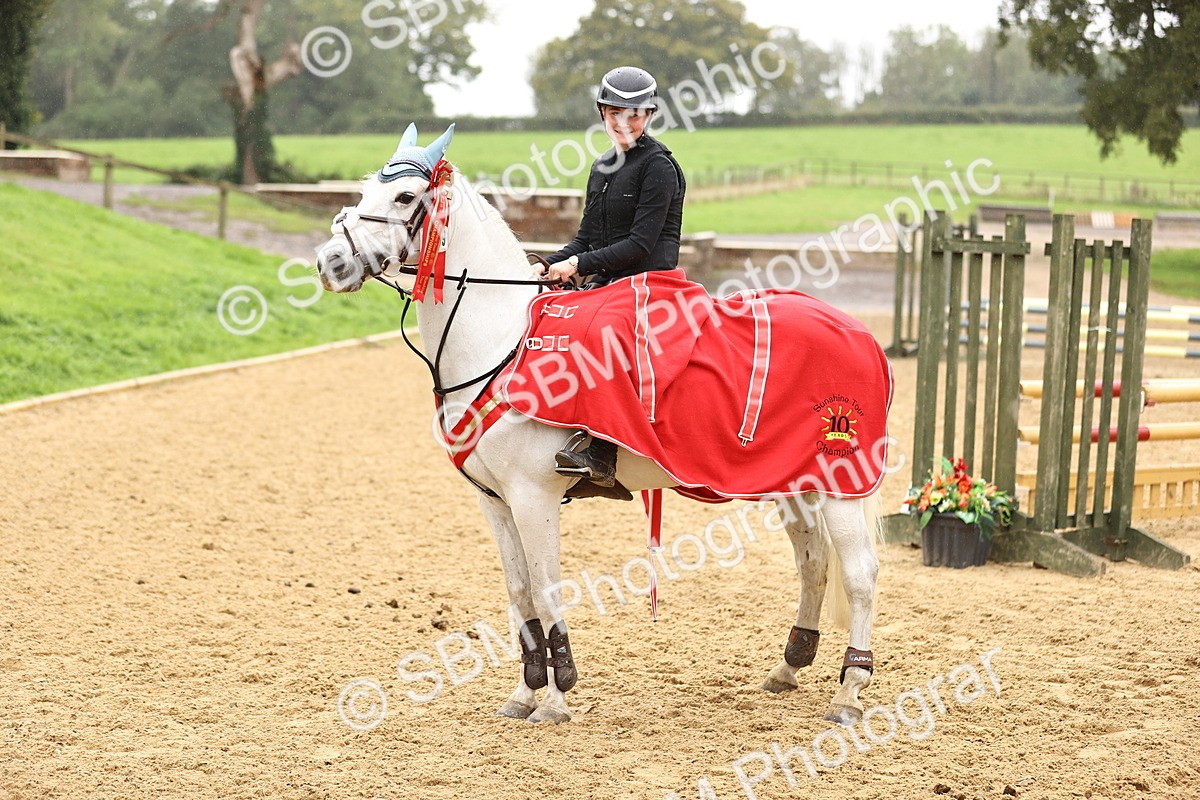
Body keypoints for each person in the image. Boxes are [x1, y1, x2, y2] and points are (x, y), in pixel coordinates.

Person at [543, 65, 687, 489]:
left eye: (636, 114)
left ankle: (602, 451)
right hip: (608, 283)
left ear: (650, 115)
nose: (625, 122)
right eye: (615, 114)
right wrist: (547, 264)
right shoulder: (602, 166)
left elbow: (640, 245)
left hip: (651, 282)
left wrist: (579, 266)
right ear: (602, 113)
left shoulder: (658, 167)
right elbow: (585, 238)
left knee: (598, 332)